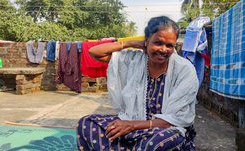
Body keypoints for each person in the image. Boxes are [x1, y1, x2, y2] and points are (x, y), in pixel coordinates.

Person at [77, 16, 199, 151]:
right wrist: (132, 43)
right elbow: (94, 52)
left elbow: (177, 119)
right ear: (146, 41)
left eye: (169, 45)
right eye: (158, 43)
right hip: (131, 121)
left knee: (154, 143)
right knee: (87, 123)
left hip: (164, 130)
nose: (163, 49)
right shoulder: (134, 60)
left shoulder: (184, 69)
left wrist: (132, 125)